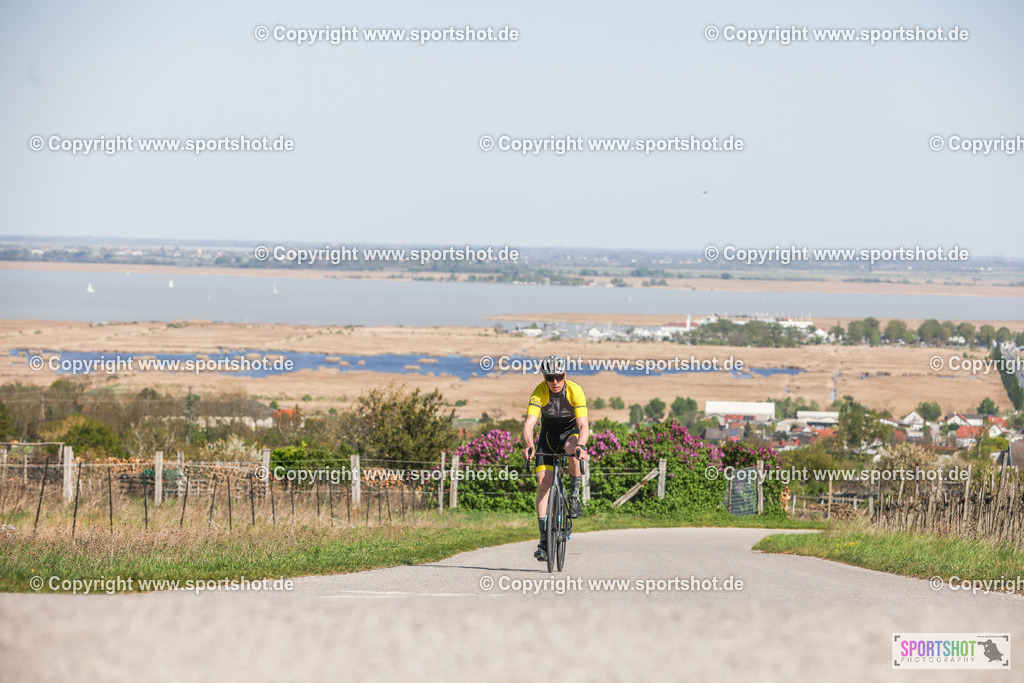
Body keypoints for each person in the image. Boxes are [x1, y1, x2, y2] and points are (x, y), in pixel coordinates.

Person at [522, 354, 589, 561]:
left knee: (572, 450)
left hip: (570, 434)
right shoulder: (539, 392)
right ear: (544, 378)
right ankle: (544, 539)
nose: (554, 382)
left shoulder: (574, 390)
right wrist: (529, 444)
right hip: (548, 437)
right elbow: (529, 424)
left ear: (564, 375)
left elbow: (584, 425)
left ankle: (574, 494)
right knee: (543, 483)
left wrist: (581, 445)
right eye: (550, 378)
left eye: (558, 377)